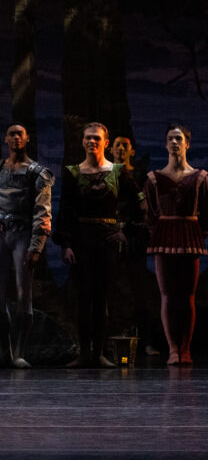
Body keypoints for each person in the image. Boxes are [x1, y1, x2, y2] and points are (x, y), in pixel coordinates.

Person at [54, 122, 142, 368]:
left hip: (106, 241)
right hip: (82, 240)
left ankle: (99, 353)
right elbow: (66, 210)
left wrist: (126, 232)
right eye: (87, 138)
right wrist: (65, 244)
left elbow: (139, 202)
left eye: (96, 138)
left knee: (102, 297)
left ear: (105, 142)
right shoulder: (72, 172)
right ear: (82, 142)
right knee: (83, 298)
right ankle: (83, 353)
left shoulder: (117, 171)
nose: (92, 142)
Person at [0, 124, 54, 368]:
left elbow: (43, 210)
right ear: (5, 139)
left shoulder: (37, 172)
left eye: (20, 134)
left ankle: (19, 353)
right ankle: (4, 353)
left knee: (23, 295)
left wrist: (36, 246)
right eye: (12, 134)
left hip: (24, 236)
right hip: (1, 237)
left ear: (26, 138)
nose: (16, 137)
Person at [143, 124, 207, 366]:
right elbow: (149, 213)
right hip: (165, 236)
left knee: (188, 296)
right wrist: (158, 231)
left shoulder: (200, 178)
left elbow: (206, 213)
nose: (174, 143)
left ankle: (186, 348)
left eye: (178, 139)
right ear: (165, 143)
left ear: (187, 144)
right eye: (170, 139)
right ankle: (173, 349)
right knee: (168, 295)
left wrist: (199, 233)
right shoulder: (154, 179)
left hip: (190, 235)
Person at [110, 134, 158, 356]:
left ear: (132, 151)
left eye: (125, 145)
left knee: (139, 287)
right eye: (117, 145)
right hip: (110, 236)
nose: (121, 148)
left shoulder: (140, 177)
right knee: (112, 289)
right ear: (111, 149)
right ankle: (111, 341)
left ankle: (145, 341)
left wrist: (131, 234)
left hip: (134, 236)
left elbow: (146, 209)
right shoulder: (105, 174)